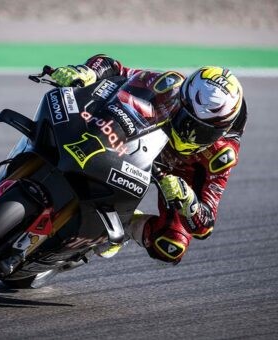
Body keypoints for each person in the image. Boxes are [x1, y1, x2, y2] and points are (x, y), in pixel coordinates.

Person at [51, 54, 248, 264]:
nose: (187, 132)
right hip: (146, 136)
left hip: (178, 174)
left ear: (221, 131)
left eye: (200, 131)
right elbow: (114, 67)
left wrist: (187, 200)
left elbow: (205, 226)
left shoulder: (222, 154)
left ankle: (125, 226)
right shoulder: (170, 85)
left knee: (172, 245)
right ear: (183, 98)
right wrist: (87, 72)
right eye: (184, 117)